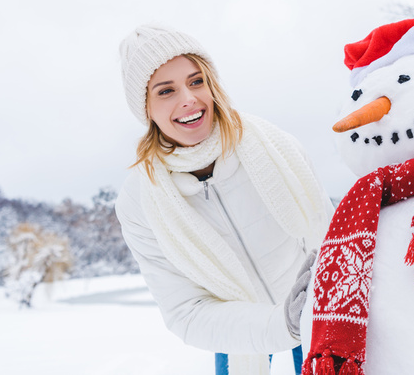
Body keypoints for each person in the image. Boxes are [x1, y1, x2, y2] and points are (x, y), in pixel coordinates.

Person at [115, 24, 333, 375]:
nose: (188, 98)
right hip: (235, 334)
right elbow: (185, 310)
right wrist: (281, 324)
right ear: (146, 109)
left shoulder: (276, 147)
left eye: (196, 81)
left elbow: (328, 236)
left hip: (315, 312)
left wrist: (313, 309)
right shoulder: (140, 201)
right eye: (166, 91)